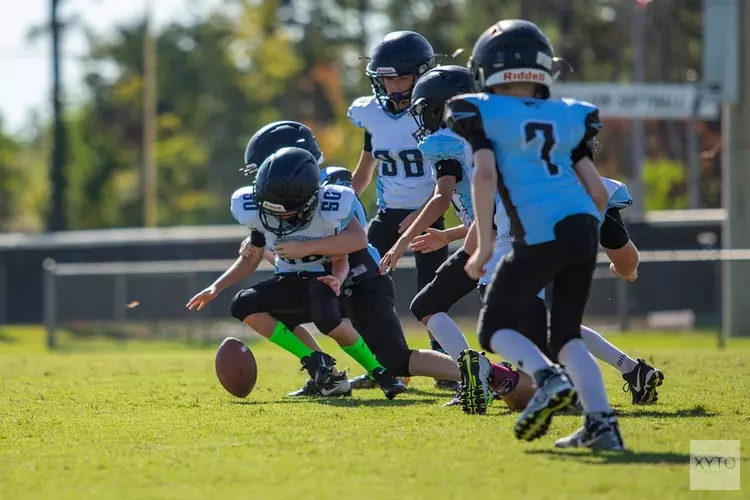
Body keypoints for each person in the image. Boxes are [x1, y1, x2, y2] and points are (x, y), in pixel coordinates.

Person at [238, 121, 533, 408]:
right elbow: (289, 258)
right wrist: (262, 247)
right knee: (257, 306)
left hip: (358, 279)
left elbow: (349, 242)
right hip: (319, 283)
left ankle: (488, 374)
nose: (263, 182)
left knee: (395, 358)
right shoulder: (278, 207)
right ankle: (326, 375)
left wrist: (298, 248)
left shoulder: (332, 187)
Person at [447, 20, 624, 450]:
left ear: (485, 69)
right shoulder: (570, 114)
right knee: (565, 335)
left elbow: (485, 173)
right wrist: (580, 235)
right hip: (584, 226)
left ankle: (547, 379)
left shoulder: (479, 110)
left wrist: (485, 246)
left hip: (540, 231)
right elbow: (598, 191)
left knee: (493, 330)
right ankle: (602, 426)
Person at [187, 146, 405, 399]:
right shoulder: (256, 210)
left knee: (327, 320)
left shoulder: (329, 205)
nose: (276, 218)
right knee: (243, 303)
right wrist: (217, 287)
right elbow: (251, 259)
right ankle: (314, 360)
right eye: (270, 210)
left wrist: (328, 269)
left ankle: (379, 372)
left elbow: (351, 247)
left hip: (321, 279)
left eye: (285, 211)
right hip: (289, 281)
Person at [347, 31, 456, 389]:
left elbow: (449, 178)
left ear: (423, 73)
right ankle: (388, 361)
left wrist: (422, 212)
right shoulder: (372, 116)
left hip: (429, 214)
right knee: (362, 286)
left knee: (432, 296)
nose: (392, 86)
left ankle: (447, 369)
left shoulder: (434, 111)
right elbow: (364, 172)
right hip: (387, 213)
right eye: (386, 78)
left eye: (401, 77)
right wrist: (342, 209)